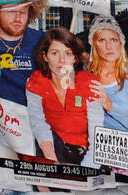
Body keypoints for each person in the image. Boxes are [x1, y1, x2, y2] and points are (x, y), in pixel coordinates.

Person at [26, 28, 94, 165]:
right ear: (45, 56)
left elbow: (97, 128)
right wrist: (51, 160)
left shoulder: (89, 82)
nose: (61, 60)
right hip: (53, 147)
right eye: (55, 53)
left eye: (68, 54)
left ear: (75, 58)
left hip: (85, 151)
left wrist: (87, 166)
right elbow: (37, 121)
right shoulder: (36, 81)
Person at [0, 1, 45, 105]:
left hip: (31, 113)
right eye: (11, 11)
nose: (17, 18)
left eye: (22, 13)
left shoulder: (41, 39)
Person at [86, 15, 128, 136]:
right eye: (102, 40)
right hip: (94, 148)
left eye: (114, 40)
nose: (108, 46)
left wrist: (110, 105)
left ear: (121, 42)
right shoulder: (86, 75)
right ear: (94, 45)